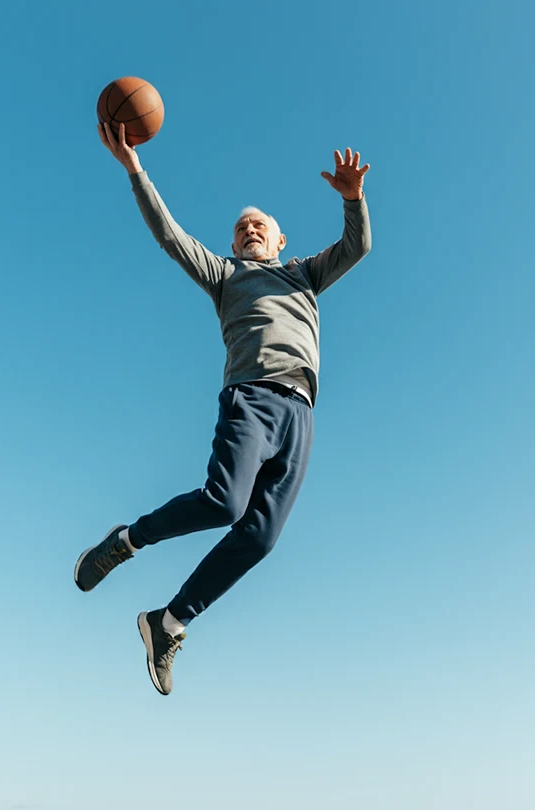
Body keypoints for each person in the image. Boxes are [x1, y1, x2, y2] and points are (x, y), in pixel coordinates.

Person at [75, 121, 372, 695]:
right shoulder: (226, 276)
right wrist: (135, 170)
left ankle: (168, 623)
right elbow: (170, 236)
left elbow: (357, 247)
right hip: (253, 397)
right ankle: (126, 541)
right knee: (224, 502)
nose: (249, 230)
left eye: (259, 225)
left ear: (280, 241)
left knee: (260, 537)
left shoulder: (304, 274)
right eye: (241, 228)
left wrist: (353, 200)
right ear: (234, 246)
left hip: (301, 414)